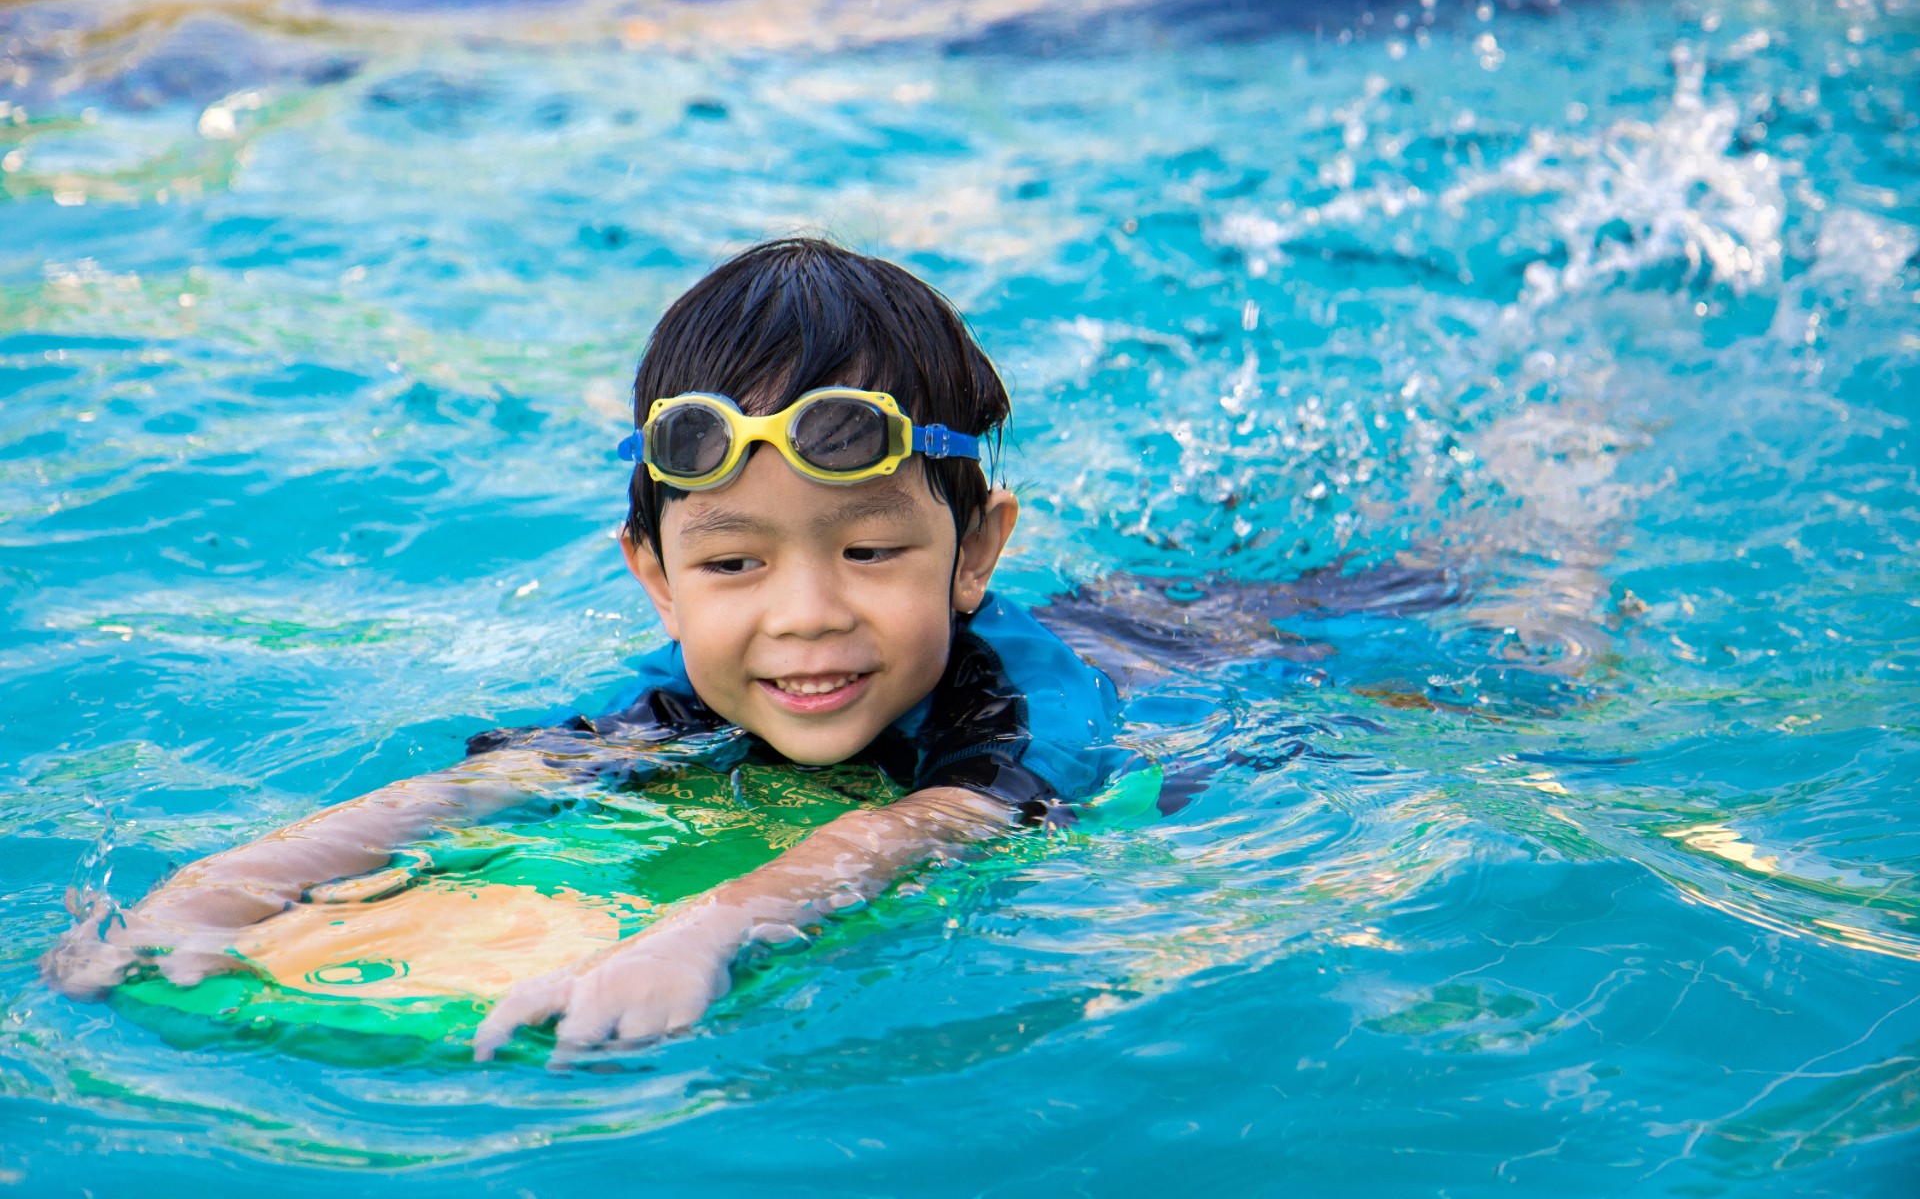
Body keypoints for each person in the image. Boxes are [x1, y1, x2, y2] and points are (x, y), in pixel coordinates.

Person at [41, 238, 1136, 1061]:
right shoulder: (690, 694)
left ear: (974, 550)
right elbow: (476, 787)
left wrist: (707, 930)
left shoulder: (1026, 702)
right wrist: (218, 889)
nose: (803, 614)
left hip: (1198, 645)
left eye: (870, 547)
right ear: (655, 576)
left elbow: (930, 823)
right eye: (733, 565)